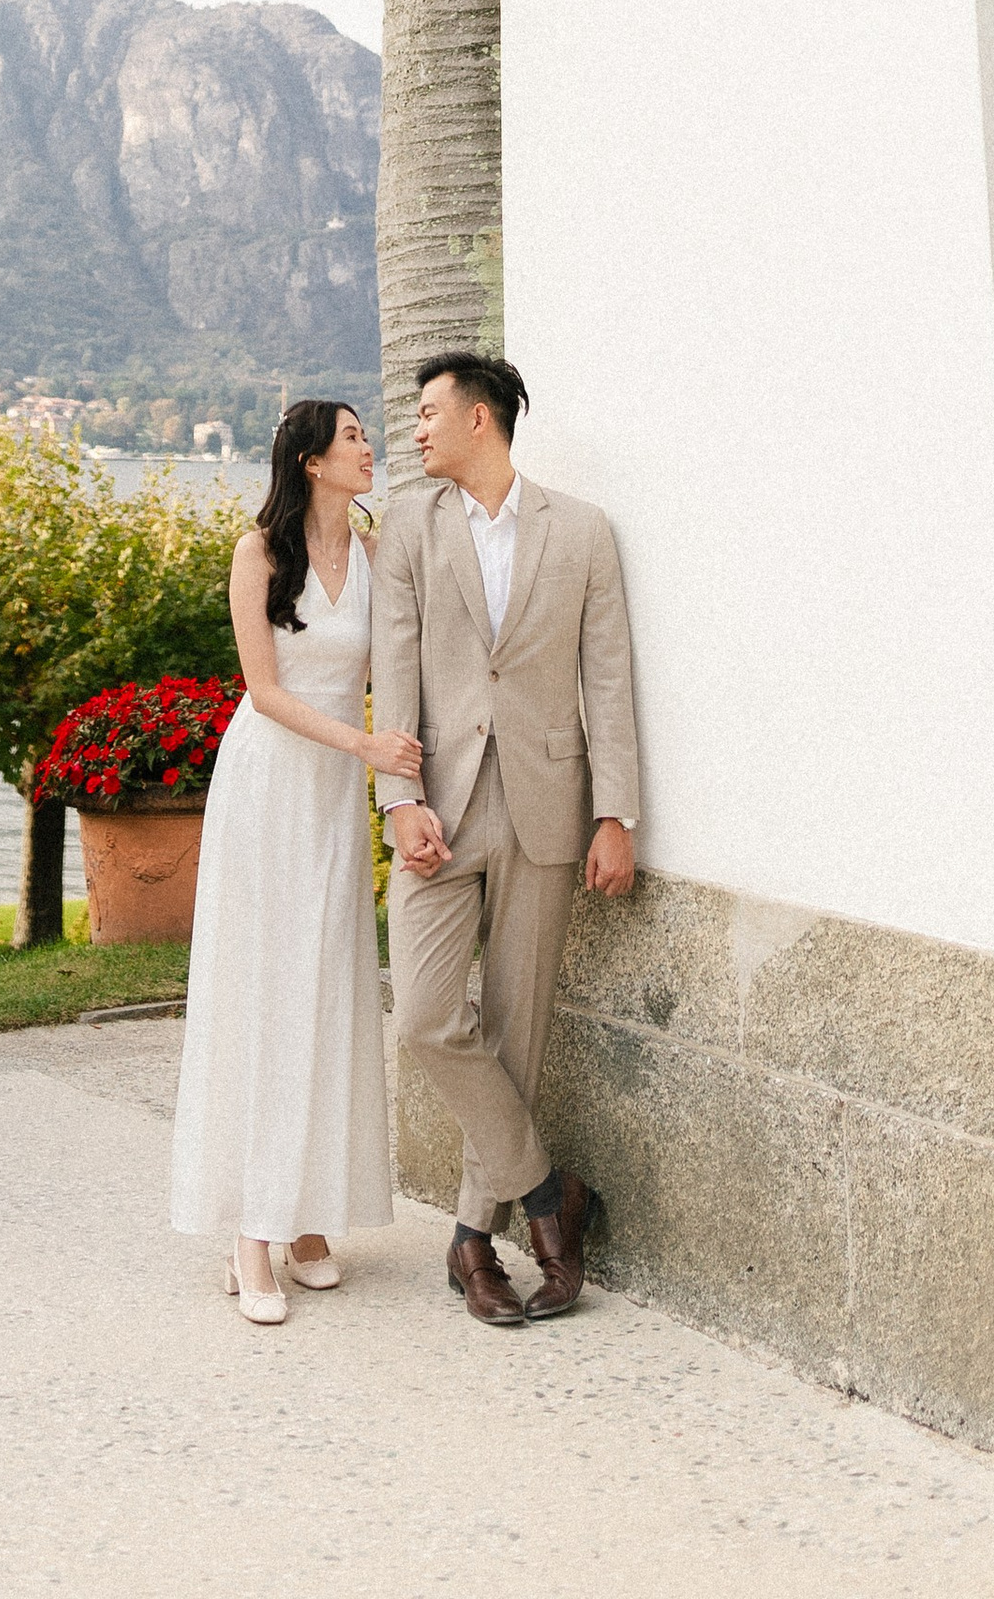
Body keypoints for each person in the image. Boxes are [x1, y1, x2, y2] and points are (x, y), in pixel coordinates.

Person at [374, 353, 640, 1328]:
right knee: (427, 1016)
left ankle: (470, 1243)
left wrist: (614, 813)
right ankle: (547, 1197)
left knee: (515, 1033)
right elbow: (391, 666)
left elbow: (605, 678)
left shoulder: (581, 531)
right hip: (438, 810)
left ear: (481, 419)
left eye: (431, 412)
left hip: (544, 806)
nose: (416, 430)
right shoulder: (408, 526)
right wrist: (397, 797)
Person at [170, 399, 421, 1323]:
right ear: (312, 460)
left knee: (328, 988)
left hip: (331, 801)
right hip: (272, 784)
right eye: (354, 437)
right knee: (267, 990)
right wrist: (367, 749)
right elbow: (263, 692)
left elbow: (392, 662)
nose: (369, 449)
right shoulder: (258, 554)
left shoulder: (379, 549)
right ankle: (250, 1235)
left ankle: (311, 1213)